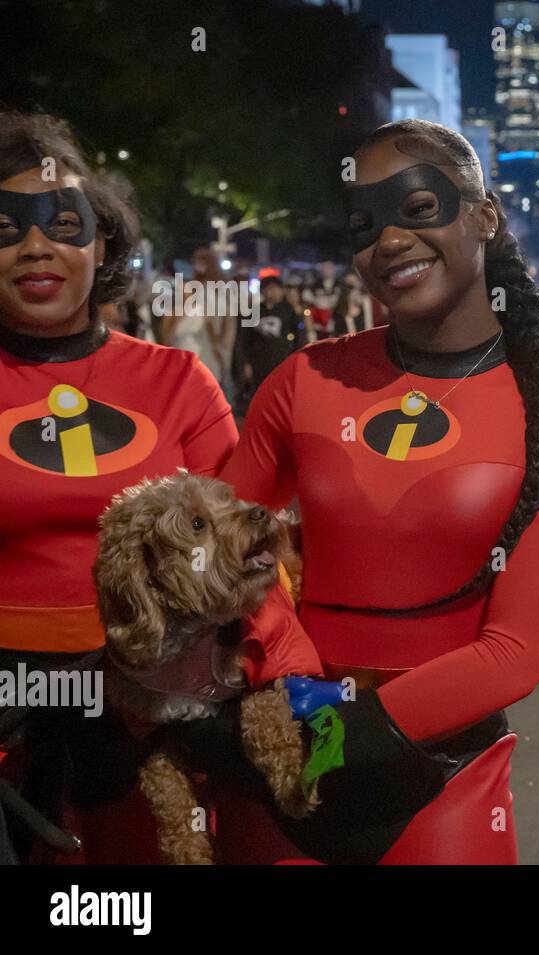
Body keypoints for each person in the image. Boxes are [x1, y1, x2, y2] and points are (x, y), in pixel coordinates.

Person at [211, 119, 539, 864]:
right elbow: (214, 556)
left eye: (418, 208)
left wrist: (327, 733)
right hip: (276, 763)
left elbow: (516, 652)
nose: (389, 239)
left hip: (438, 780)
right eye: (364, 224)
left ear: (484, 216)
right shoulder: (304, 379)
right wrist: (279, 685)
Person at [0, 111, 317, 864]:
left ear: (102, 241)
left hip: (151, 718)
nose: (37, 246)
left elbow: (251, 544)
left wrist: (288, 680)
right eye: (7, 228)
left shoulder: (176, 379)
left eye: (64, 224)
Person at [162, 246, 235, 391]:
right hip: (186, 345)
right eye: (196, 262)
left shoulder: (220, 289)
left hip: (209, 345)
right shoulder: (192, 287)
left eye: (202, 262)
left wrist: (223, 346)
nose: (198, 266)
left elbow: (226, 322)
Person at [232, 275, 305, 419]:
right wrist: (245, 363)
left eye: (277, 289)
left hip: (282, 360)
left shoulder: (288, 311)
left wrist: (297, 358)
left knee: (283, 396)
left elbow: (299, 336)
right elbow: (243, 340)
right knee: (260, 395)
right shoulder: (253, 311)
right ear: (263, 291)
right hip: (258, 362)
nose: (274, 293)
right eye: (270, 289)